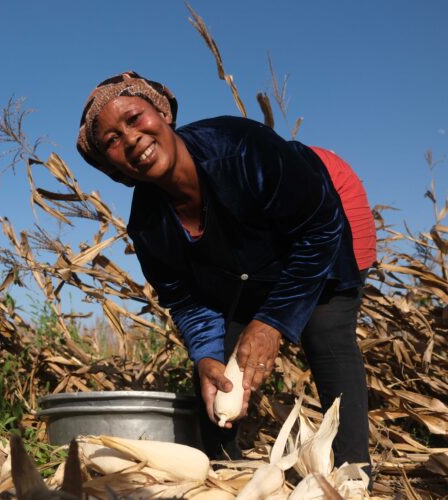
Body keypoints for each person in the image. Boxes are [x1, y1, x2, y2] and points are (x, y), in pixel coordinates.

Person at [76, 71, 376, 470]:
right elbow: (186, 300)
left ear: (162, 113)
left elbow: (320, 229)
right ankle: (224, 474)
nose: (130, 139)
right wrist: (203, 357)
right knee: (220, 370)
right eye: (112, 140)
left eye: (134, 119)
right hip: (251, 261)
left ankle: (352, 474)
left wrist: (270, 323)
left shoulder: (239, 151)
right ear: (110, 165)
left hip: (327, 207)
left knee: (325, 328)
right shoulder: (149, 228)